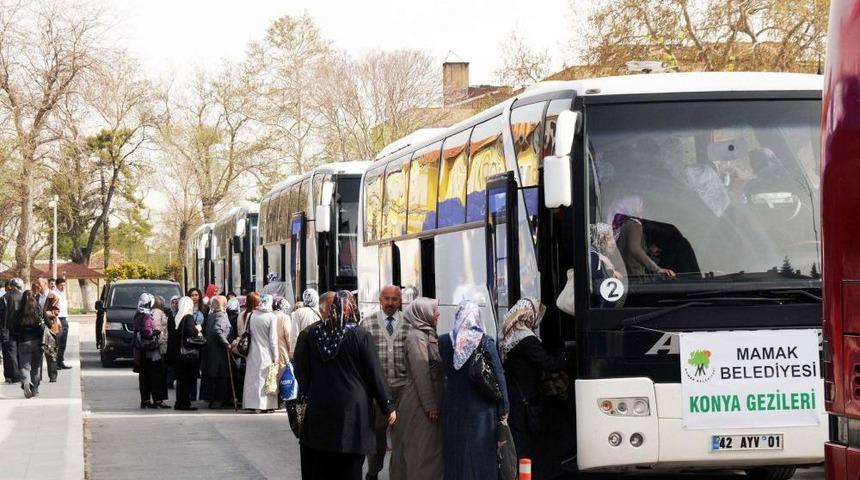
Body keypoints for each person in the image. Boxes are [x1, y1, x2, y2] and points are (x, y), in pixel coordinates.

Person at [294, 290, 395, 480]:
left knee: (322, 465)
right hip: (353, 413)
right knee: (350, 467)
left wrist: (307, 393)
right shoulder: (360, 335)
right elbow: (374, 373)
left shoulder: (312, 334)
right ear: (351, 308)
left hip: (320, 409)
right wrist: (387, 405)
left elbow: (302, 371)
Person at [500, 298, 571, 480]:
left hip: (514, 396)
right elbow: (549, 364)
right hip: (526, 399)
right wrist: (566, 355)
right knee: (530, 441)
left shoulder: (509, 336)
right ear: (529, 314)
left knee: (518, 439)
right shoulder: (527, 339)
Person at [439, 300, 509, 480]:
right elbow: (498, 374)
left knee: (456, 455)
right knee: (482, 456)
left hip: (453, 408)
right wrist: (504, 406)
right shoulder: (485, 341)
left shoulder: (445, 341)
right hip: (482, 410)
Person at [390, 297, 444, 480]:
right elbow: (421, 373)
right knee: (422, 453)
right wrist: (430, 405)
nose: (438, 314)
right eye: (434, 310)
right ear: (423, 313)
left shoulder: (427, 334)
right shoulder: (416, 337)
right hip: (419, 405)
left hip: (425, 402)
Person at [363, 285, 409, 480]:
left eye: (394, 299)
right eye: (387, 299)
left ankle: (399, 475)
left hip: (404, 389)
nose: (390, 303)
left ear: (400, 301)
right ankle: (373, 472)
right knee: (377, 435)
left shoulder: (409, 323)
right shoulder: (367, 323)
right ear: (380, 300)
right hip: (378, 392)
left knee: (403, 436)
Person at [611, 196, 676, 278]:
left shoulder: (622, 223)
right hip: (634, 274)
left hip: (623, 272)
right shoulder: (635, 224)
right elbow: (634, 249)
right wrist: (657, 269)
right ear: (632, 208)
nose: (642, 210)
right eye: (639, 206)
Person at [242, 293, 279, 413]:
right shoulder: (271, 317)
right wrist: (276, 356)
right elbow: (273, 339)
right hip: (266, 352)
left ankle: (252, 403)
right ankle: (264, 405)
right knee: (265, 378)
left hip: (252, 351)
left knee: (252, 378)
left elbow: (246, 332)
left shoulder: (251, 315)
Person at [133, 293, 170, 409]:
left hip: (141, 351)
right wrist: (155, 333)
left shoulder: (138, 314)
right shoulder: (147, 316)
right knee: (156, 375)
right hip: (152, 350)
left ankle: (146, 400)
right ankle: (157, 400)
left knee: (144, 376)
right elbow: (147, 332)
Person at [201, 296, 234, 409]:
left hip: (211, 351)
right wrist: (226, 343)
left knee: (214, 376)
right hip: (219, 351)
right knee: (221, 376)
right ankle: (218, 400)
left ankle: (213, 399)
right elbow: (217, 330)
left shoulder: (211, 316)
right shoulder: (221, 316)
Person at [15, 287, 47, 398]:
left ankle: (26, 382)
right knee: (36, 366)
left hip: (23, 342)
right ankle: (35, 390)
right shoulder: (38, 309)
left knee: (24, 366)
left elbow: (13, 327)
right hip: (37, 341)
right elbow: (45, 323)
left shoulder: (19, 312)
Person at [173, 296, 202, 411]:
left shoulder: (178, 316)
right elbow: (189, 332)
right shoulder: (188, 317)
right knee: (187, 379)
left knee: (181, 380)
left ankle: (179, 402)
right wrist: (197, 329)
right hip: (187, 353)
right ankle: (185, 403)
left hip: (179, 353)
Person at [34, 278, 61, 382]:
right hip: (38, 328)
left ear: (45, 284)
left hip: (50, 327)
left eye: (39, 284)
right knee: (37, 353)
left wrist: (43, 313)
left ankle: (53, 376)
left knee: (50, 352)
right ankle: (38, 376)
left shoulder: (53, 296)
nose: (37, 286)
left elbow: (56, 312)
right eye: (36, 284)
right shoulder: (36, 297)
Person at [1, 278, 23, 384]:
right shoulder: (24, 297)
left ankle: (10, 375)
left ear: (11, 286)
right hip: (21, 329)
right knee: (18, 352)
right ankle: (17, 375)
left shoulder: (4, 298)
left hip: (6, 329)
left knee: (8, 353)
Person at [289, 289, 322, 354]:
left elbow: (294, 333)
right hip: (318, 347)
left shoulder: (298, 312)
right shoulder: (321, 311)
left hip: (304, 348)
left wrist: (293, 350)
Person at [54, 278, 71, 369]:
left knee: (63, 342)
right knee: (57, 342)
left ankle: (60, 361)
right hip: (57, 320)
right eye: (61, 285)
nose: (63, 287)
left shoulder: (62, 294)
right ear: (57, 285)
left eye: (64, 285)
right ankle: (55, 363)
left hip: (64, 319)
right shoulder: (54, 294)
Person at [273, 296, 291, 372]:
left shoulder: (268, 316)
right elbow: (288, 336)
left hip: (269, 352)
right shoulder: (285, 317)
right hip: (281, 351)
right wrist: (291, 351)